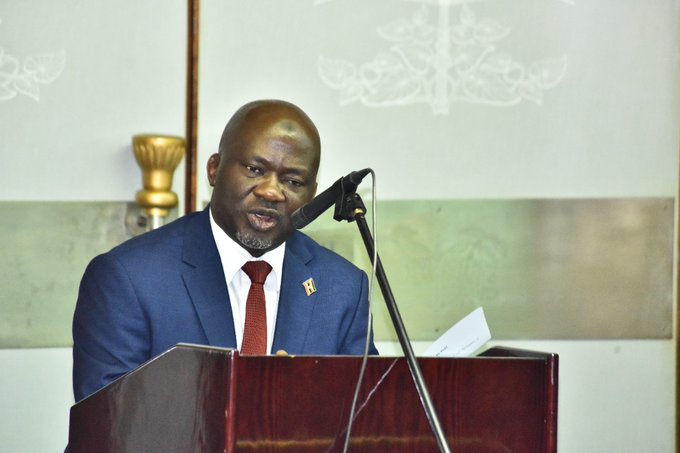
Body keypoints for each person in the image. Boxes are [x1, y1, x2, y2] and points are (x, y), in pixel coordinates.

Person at [72, 99, 377, 402]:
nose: (271, 192)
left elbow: (367, 416)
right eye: (255, 169)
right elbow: (108, 420)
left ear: (312, 194)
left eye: (293, 181)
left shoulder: (343, 289)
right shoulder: (130, 279)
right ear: (214, 169)